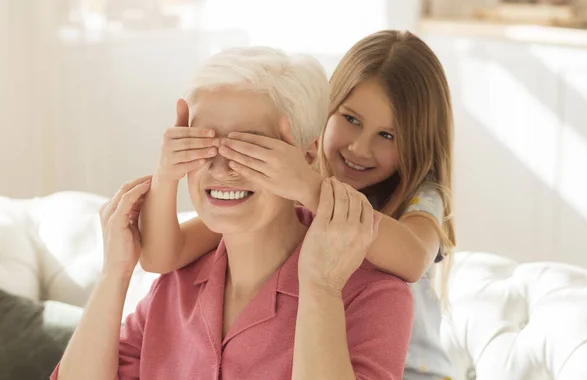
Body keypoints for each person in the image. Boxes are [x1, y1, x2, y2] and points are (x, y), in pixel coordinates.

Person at [50, 46, 414, 380]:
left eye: (249, 148)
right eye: (202, 145)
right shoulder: (177, 284)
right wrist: (114, 273)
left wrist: (320, 290)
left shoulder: (375, 296)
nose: (221, 169)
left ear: (306, 155)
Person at [140, 30, 457, 380]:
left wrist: (307, 185)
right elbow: (161, 257)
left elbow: (412, 258)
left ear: (418, 143)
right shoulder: (283, 190)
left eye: (388, 136)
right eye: (350, 120)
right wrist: (167, 174)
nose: (359, 148)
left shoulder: (422, 196)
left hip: (414, 370)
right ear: (323, 115)